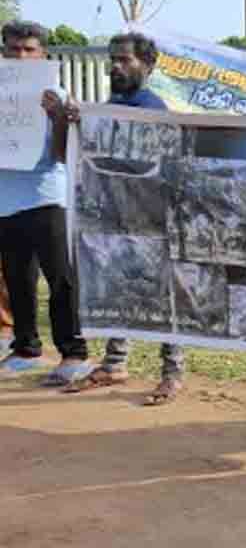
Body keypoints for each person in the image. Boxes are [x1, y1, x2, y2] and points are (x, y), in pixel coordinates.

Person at [53, 33, 187, 404]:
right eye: (113, 59)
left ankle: (172, 373)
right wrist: (78, 124)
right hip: (116, 214)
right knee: (117, 286)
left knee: (162, 295)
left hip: (152, 216)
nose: (116, 66)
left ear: (148, 66)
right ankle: (115, 363)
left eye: (125, 60)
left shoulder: (153, 108)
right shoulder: (111, 105)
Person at [0, 21, 90, 384]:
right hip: (6, 200)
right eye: (13, 49)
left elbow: (62, 156)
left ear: (44, 55)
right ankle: (25, 348)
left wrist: (59, 118)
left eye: (29, 49)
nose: (21, 56)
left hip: (48, 196)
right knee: (18, 279)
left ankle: (73, 353)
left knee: (61, 278)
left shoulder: (58, 96)